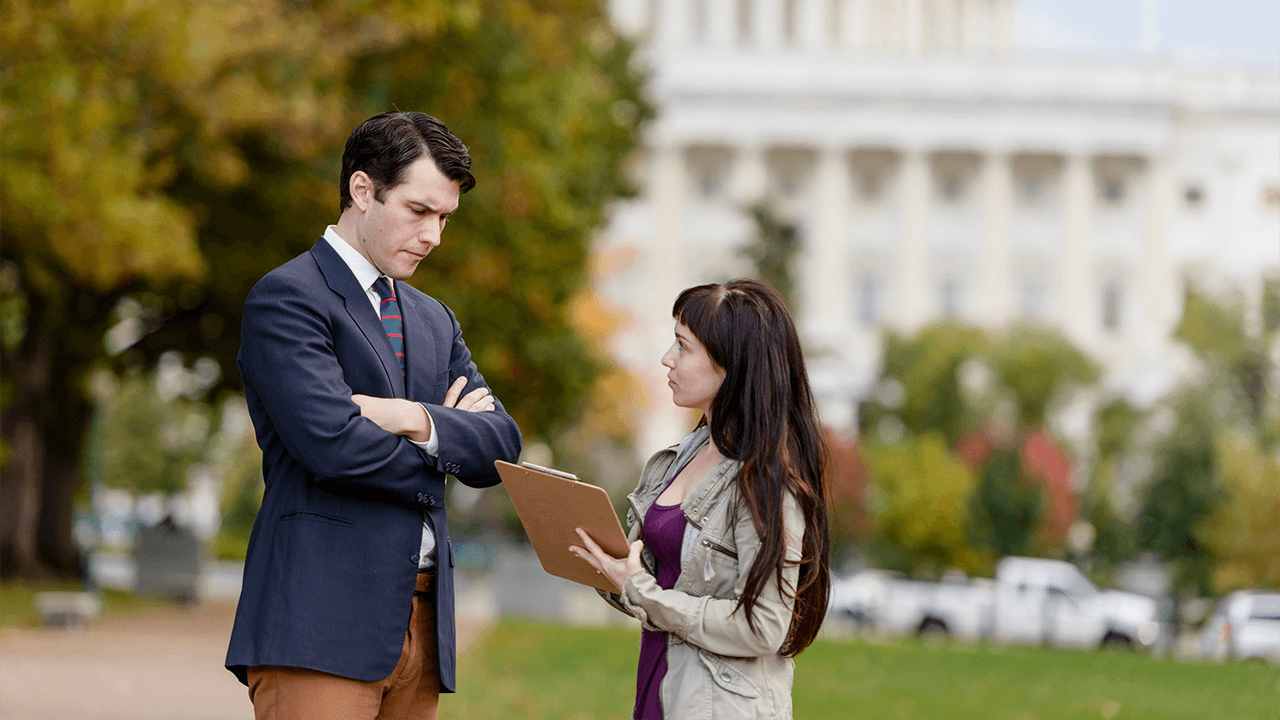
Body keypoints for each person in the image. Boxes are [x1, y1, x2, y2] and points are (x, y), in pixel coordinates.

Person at [225, 111, 522, 720]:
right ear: (363, 191)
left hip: (422, 628)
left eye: (444, 218)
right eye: (419, 211)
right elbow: (332, 446)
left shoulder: (435, 318)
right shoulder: (287, 297)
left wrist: (412, 418)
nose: (434, 235)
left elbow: (501, 446)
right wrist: (446, 438)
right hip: (319, 624)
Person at [572, 279, 832, 720]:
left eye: (682, 346)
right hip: (661, 689)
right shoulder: (679, 457)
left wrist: (641, 590)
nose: (666, 359)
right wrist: (604, 564)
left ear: (732, 365)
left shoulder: (766, 478)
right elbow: (655, 583)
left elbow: (765, 626)